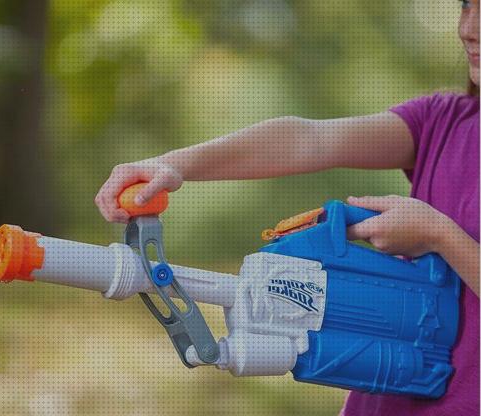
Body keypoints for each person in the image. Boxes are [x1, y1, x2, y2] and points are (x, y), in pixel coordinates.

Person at [95, 0, 480, 414]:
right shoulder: (443, 122)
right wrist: (173, 164)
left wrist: (441, 235)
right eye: (465, 5)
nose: (468, 28)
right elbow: (305, 140)